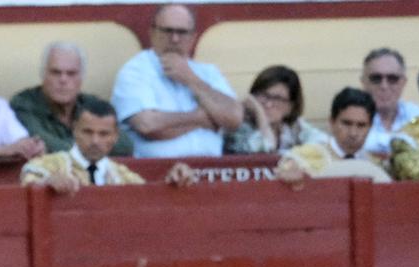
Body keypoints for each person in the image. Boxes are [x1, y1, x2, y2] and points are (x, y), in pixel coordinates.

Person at [112, 3, 241, 158]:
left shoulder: (207, 72)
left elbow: (234, 118)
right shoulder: (136, 70)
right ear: (152, 33)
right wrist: (201, 118)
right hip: (158, 171)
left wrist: (191, 79)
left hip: (210, 170)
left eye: (182, 32)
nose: (174, 39)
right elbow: (148, 126)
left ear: (193, 37)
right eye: (167, 31)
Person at [19, 99, 198, 192]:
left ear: (115, 137)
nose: (95, 141)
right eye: (88, 132)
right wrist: (47, 182)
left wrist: (175, 181)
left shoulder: (123, 176)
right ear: (74, 130)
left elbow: (150, 199)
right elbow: (29, 176)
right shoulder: (49, 165)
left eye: (103, 134)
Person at [10, 41, 135, 157]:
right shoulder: (24, 104)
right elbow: (47, 145)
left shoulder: (91, 103)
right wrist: (95, 146)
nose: (63, 80)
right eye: (55, 72)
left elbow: (125, 145)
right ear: (43, 75)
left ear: (81, 78)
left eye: (71, 74)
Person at [275, 88, 391, 185]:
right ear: (332, 122)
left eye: (361, 125)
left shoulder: (375, 163)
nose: (353, 133)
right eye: (346, 123)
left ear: (370, 126)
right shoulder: (305, 157)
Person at [225, 65, 327, 154]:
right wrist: (260, 116)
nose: (268, 104)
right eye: (263, 95)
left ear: (290, 107)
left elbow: (324, 143)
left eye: (277, 99)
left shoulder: (294, 127)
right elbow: (267, 149)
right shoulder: (239, 127)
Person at [359, 47, 419, 159]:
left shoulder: (417, 115)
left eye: (392, 78)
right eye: (376, 78)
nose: (384, 86)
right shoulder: (354, 118)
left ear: (403, 82)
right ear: (364, 82)